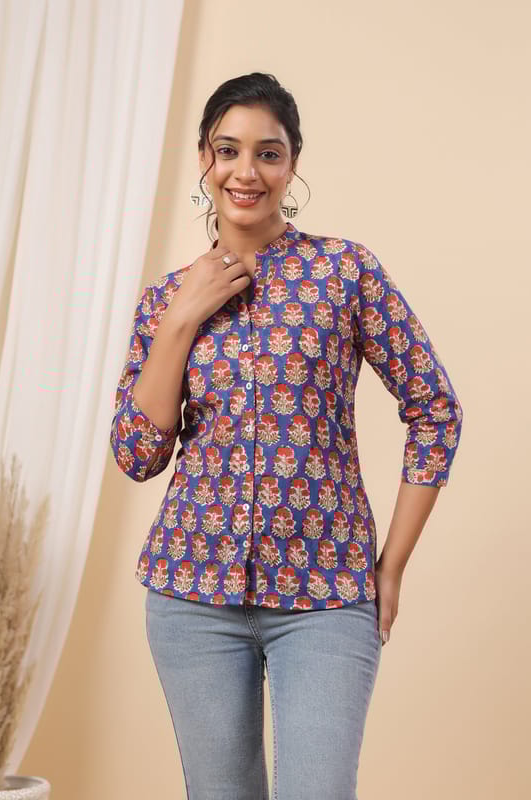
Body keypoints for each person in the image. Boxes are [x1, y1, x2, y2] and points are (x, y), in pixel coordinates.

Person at [110, 72, 463, 800]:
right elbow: (138, 455)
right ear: (203, 159)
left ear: (292, 161)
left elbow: (435, 408)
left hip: (326, 595)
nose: (246, 171)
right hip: (191, 596)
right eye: (227, 150)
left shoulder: (344, 272)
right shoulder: (166, 298)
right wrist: (181, 320)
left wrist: (390, 567)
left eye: (267, 153)